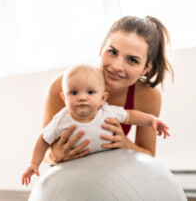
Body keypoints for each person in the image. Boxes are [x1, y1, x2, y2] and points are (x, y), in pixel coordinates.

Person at [42, 15, 174, 164]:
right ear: (101, 49)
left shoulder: (148, 96)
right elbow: (45, 154)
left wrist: (124, 144)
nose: (117, 66)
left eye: (132, 60)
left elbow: (149, 155)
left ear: (146, 68)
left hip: (109, 173)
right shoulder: (64, 87)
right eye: (112, 52)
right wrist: (56, 155)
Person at [21, 65, 170, 186]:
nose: (82, 98)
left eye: (90, 92)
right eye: (73, 93)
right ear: (64, 98)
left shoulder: (107, 112)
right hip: (72, 171)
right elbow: (43, 139)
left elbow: (130, 116)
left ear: (102, 98)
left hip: (106, 171)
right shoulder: (61, 119)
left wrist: (151, 120)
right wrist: (34, 163)